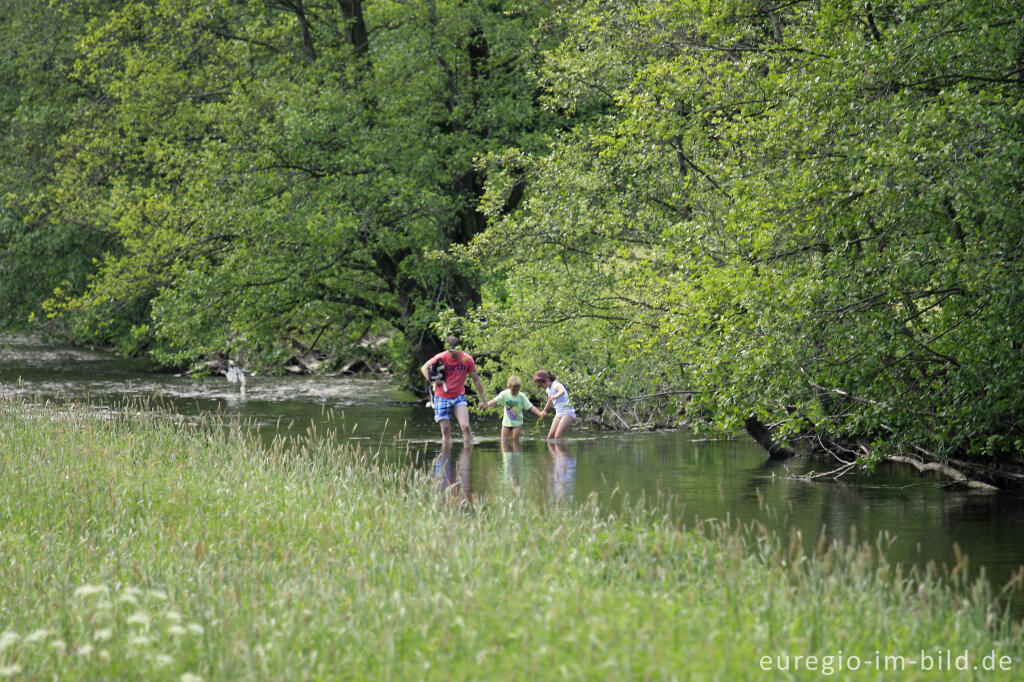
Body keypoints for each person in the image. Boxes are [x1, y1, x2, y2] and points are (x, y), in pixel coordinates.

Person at [420, 336, 488, 442]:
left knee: (465, 426)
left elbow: (476, 379)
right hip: (441, 396)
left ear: (460, 348)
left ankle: (467, 453)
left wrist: (484, 400)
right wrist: (432, 381)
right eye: (451, 352)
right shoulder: (441, 357)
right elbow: (424, 368)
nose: (453, 354)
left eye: (456, 351)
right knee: (446, 430)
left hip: (458, 396)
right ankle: (446, 455)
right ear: (447, 349)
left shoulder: (467, 359)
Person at [484, 374, 544, 445]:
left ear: (519, 388)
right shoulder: (504, 394)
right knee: (504, 441)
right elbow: (494, 401)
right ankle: (507, 455)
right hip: (506, 423)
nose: (515, 392)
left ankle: (517, 455)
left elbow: (531, 407)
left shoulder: (521, 396)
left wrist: (540, 413)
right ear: (508, 386)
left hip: (517, 423)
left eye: (517, 390)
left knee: (515, 441)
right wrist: (486, 404)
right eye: (513, 390)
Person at [533, 370, 576, 439]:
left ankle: (562, 449)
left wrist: (555, 396)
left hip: (567, 412)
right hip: (559, 413)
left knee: (558, 437)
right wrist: (544, 411)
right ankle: (554, 449)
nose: (541, 387)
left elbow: (562, 391)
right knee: (550, 437)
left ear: (547, 380)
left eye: (541, 385)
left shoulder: (556, 385)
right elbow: (550, 401)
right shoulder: (548, 389)